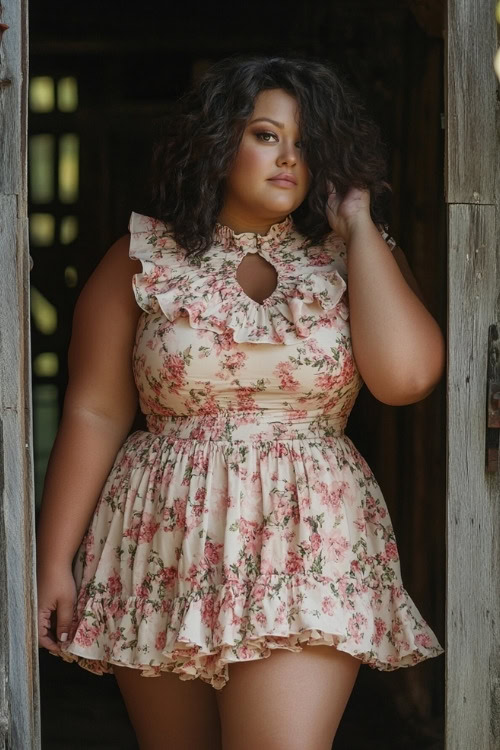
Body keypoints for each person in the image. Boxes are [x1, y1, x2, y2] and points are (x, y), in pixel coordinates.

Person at [36, 55, 445, 750]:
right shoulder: (142, 258)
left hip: (309, 538)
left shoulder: (353, 260)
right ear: (218, 142)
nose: (290, 157)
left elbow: (405, 378)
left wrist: (357, 220)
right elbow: (95, 413)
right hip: (161, 539)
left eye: (307, 143)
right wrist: (52, 559)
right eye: (265, 135)